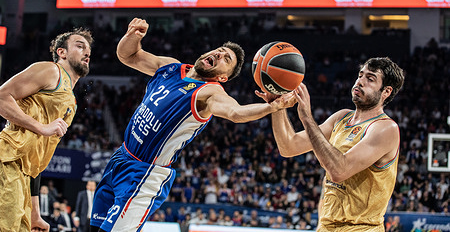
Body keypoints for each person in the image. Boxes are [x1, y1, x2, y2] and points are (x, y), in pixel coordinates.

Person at [90, 18, 289, 232]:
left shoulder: (209, 93)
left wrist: (272, 107)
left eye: (226, 59)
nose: (219, 54)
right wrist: (132, 37)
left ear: (222, 77)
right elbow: (127, 55)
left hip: (144, 173)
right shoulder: (171, 67)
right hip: (121, 157)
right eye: (220, 50)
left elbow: (236, 112)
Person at [261, 57, 405, 231]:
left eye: (370, 79)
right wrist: (277, 107)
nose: (360, 81)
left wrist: (306, 117)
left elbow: (339, 170)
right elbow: (289, 147)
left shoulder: (385, 128)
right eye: (360, 75)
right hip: (327, 226)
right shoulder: (341, 117)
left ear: (386, 91)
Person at [0, 28, 93, 232]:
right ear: (62, 52)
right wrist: (40, 127)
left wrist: (35, 213)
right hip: (7, 160)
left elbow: (37, 160)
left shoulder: (71, 101)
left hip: (23, 173)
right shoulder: (51, 71)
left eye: (88, 48)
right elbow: (2, 97)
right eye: (80, 46)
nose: (87, 52)